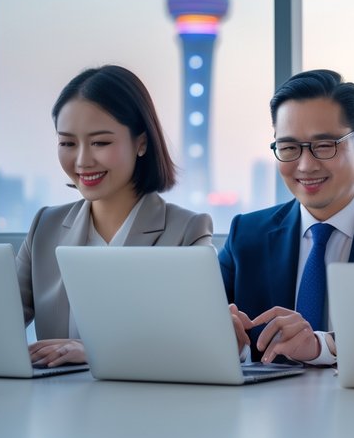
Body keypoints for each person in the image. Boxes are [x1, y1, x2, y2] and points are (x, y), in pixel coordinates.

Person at [18, 65, 213, 368]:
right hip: (55, 407)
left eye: (100, 142)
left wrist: (97, 350)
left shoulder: (187, 231)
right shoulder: (45, 228)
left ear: (142, 143)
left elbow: (204, 342)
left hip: (150, 407)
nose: (82, 160)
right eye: (68, 143)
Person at [220, 69, 354, 366]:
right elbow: (213, 332)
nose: (306, 166)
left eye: (324, 146)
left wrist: (324, 346)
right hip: (264, 410)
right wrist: (228, 342)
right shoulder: (246, 235)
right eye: (289, 148)